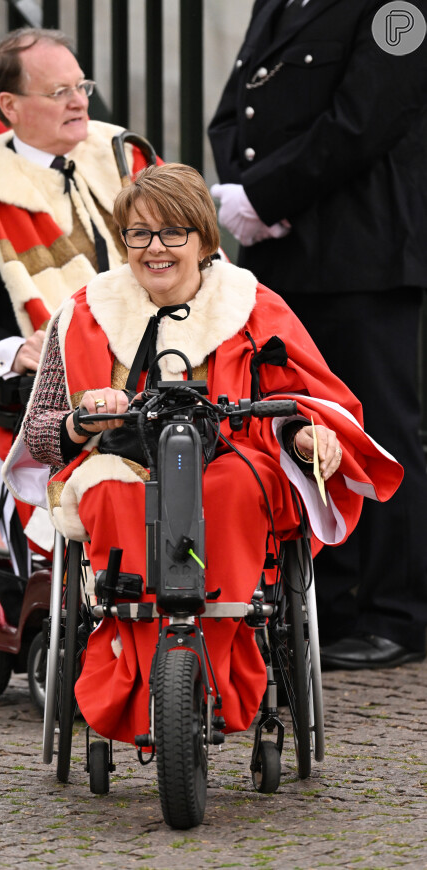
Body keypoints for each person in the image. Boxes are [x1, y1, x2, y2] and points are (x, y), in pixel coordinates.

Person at [3, 162, 401, 745]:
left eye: (172, 233)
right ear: (124, 241)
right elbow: (39, 435)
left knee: (239, 488)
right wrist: (83, 418)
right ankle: (139, 680)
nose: (154, 249)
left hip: (230, 458)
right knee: (111, 493)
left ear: (203, 239)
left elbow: (297, 398)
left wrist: (302, 435)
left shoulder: (253, 307)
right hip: (123, 462)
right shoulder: (83, 312)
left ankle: (217, 674)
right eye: (139, 234)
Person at [208, 0, 427, 669]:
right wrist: (244, 189)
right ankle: (325, 603)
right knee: (300, 422)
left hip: (363, 254)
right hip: (287, 253)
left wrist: (267, 196)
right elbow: (239, 102)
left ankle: (398, 612)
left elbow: (366, 118)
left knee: (379, 428)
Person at [0, 27, 157, 574]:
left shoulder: (124, 159)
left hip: (156, 383)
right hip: (44, 404)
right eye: (59, 92)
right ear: (10, 105)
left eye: (82, 87)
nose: (80, 103)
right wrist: (17, 350)